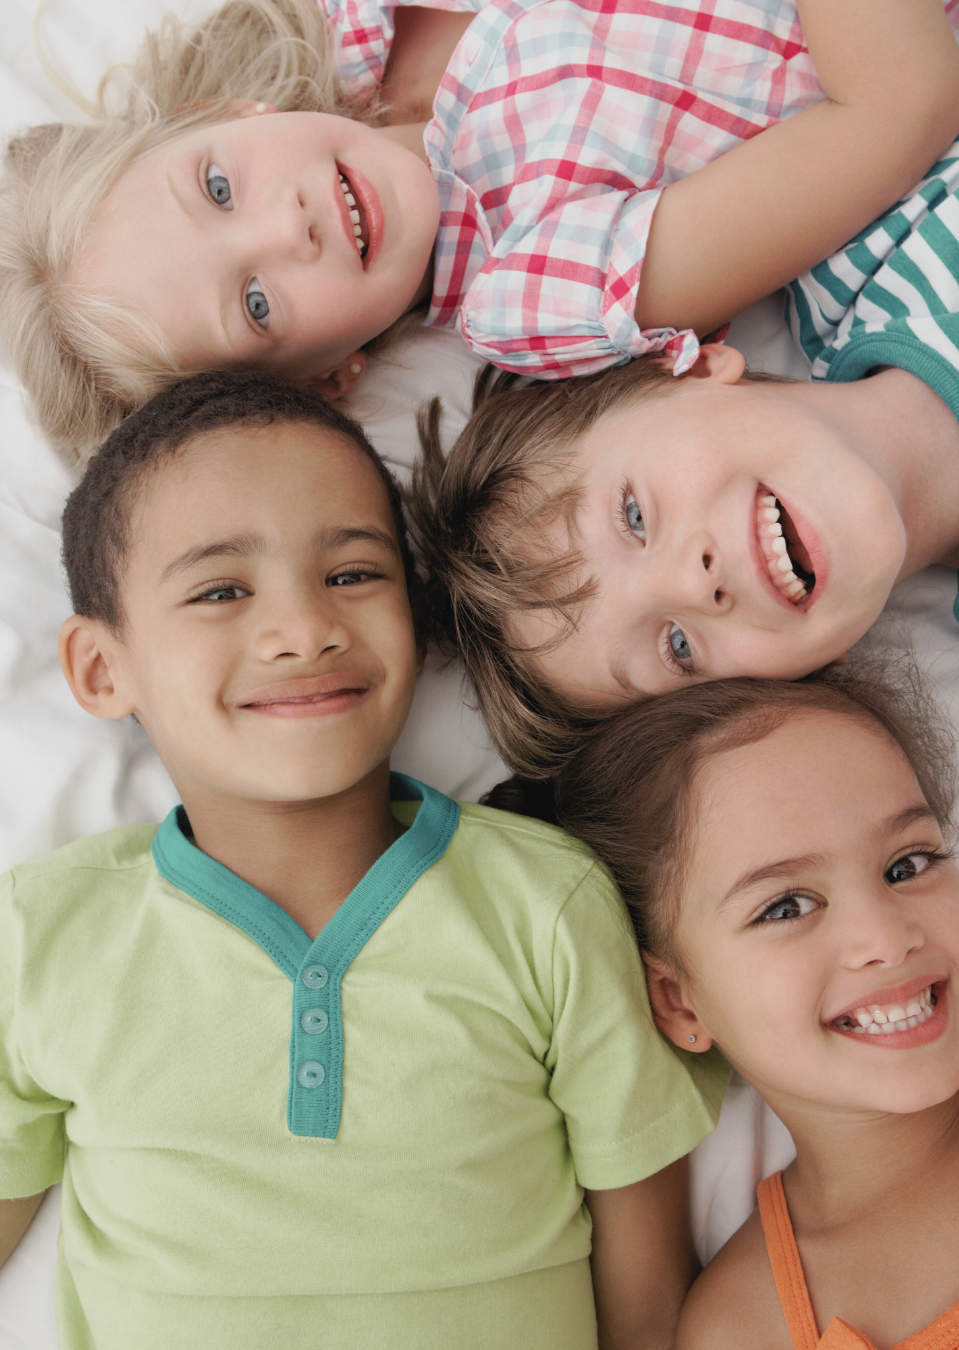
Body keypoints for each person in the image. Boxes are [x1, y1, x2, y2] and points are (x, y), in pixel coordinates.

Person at [0, 370, 726, 1350]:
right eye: (220, 590)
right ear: (101, 667)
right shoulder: (44, 937)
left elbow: (645, 1298)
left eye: (351, 574)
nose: (305, 629)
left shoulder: (548, 908)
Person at [407, 13, 959, 778]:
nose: (695, 583)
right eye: (676, 647)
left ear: (686, 370)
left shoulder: (870, 248)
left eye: (633, 515)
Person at [0, 0, 959, 458]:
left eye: (216, 186)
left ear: (227, 111)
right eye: (255, 301)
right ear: (327, 377)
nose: (286, 225)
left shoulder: (366, 21)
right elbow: (900, 106)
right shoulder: (538, 282)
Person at [546, 671, 959, 1347]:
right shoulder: (745, 1325)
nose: (886, 938)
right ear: (680, 1000)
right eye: (786, 906)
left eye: (908, 864)